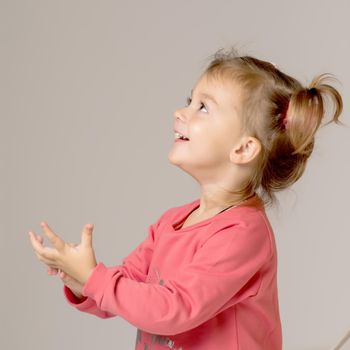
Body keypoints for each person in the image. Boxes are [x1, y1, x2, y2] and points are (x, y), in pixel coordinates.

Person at [28, 46, 344, 350]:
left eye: (203, 107)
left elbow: (175, 310)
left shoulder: (243, 234)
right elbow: (127, 289)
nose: (180, 112)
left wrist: (95, 279)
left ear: (243, 149)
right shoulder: (171, 222)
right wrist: (81, 281)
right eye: (189, 100)